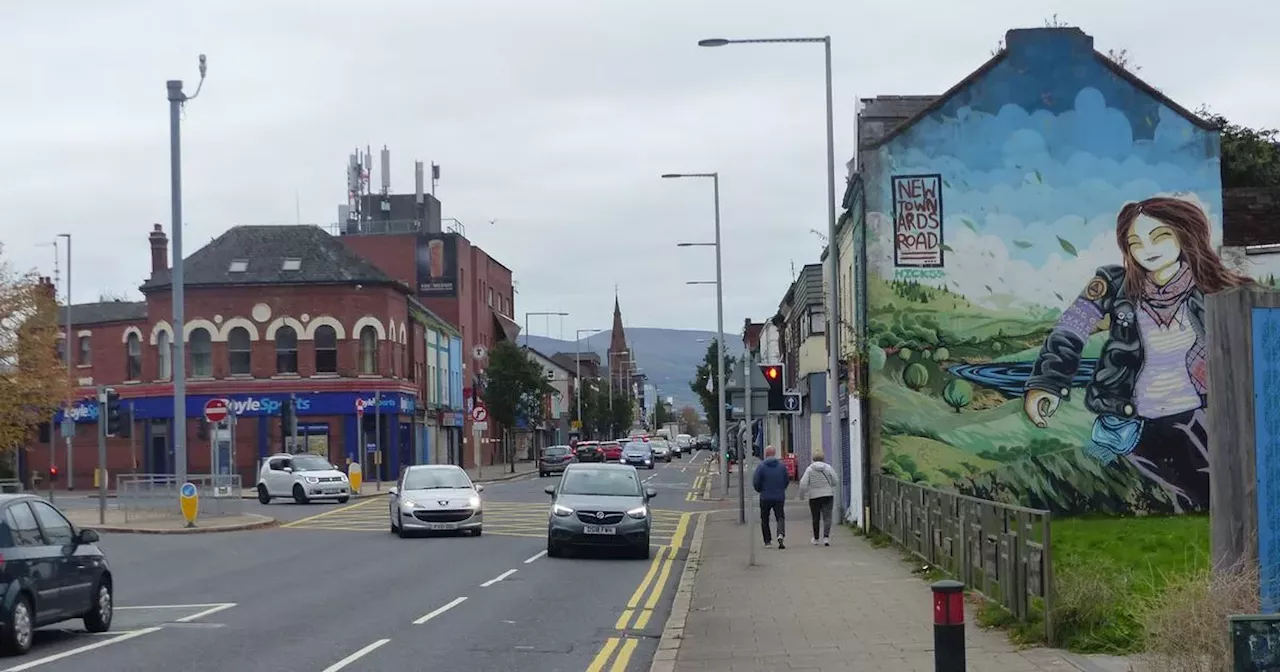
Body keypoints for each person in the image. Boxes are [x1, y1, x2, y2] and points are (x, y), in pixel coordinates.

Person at [752, 445, 790, 549]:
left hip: (765, 497)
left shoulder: (761, 467)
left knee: (764, 519)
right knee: (780, 517)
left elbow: (756, 482)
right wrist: (781, 489)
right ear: (774, 454)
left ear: (765, 454)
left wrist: (760, 490)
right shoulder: (781, 466)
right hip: (779, 496)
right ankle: (780, 534)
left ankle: (767, 541)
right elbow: (786, 480)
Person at [799, 449, 838, 546]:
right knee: (827, 517)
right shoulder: (828, 468)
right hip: (828, 495)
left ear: (813, 458)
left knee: (815, 517)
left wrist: (802, 495)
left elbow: (803, 484)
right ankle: (826, 538)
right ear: (823, 458)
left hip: (814, 496)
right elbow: (835, 480)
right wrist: (830, 486)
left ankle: (816, 539)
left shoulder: (809, 469)